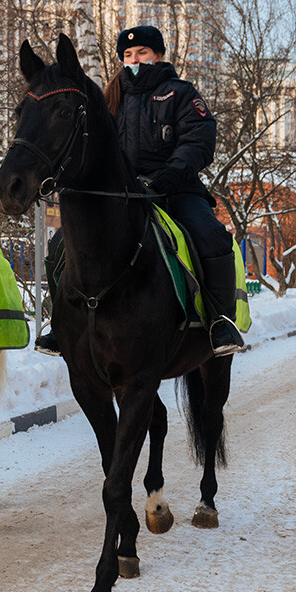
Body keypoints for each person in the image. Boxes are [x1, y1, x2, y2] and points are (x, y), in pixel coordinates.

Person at [34, 25, 245, 357]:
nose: (135, 59)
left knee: (211, 234)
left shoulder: (181, 93)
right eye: (128, 55)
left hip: (175, 189)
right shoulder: (107, 99)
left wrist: (171, 176)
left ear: (158, 55)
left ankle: (220, 321)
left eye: (142, 53)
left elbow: (199, 140)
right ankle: (61, 322)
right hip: (122, 195)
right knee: (62, 241)